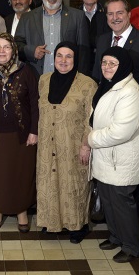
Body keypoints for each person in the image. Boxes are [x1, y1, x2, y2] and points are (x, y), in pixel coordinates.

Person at [85, 46, 139, 263]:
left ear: (124, 66)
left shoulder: (130, 91)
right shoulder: (108, 85)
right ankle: (116, 236)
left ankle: (132, 246)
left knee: (122, 204)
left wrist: (90, 139)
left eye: (112, 63)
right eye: (104, 62)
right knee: (109, 202)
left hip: (121, 160)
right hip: (106, 158)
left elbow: (121, 131)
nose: (107, 67)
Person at [0, 32, 38, 233]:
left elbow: (35, 105)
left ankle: (21, 212)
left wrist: (33, 131)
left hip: (21, 136)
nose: (2, 51)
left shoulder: (26, 71)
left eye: (6, 47)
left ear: (14, 50)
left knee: (20, 174)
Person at [36, 41, 97, 242]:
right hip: (47, 145)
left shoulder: (87, 84)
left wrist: (86, 145)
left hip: (74, 146)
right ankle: (52, 221)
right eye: (59, 56)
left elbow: (92, 118)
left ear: (76, 59)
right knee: (50, 183)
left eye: (68, 56)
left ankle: (77, 225)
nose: (63, 60)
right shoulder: (44, 80)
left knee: (73, 186)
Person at [14, 0, 89, 75]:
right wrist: (32, 51)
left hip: (68, 79)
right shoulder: (27, 18)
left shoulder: (77, 16)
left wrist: (80, 78)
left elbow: (83, 52)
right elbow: (16, 45)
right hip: (36, 78)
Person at [92, 0, 139, 90]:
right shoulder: (102, 40)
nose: (115, 18)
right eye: (110, 14)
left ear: (129, 14)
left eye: (119, 13)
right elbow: (97, 74)